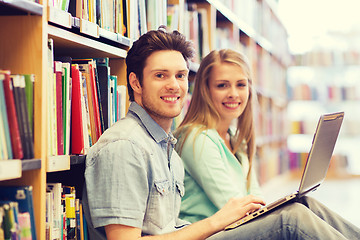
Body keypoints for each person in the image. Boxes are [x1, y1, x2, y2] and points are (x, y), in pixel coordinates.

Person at [174, 48, 360, 239]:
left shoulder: (235, 138)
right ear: (205, 90)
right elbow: (233, 207)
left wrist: (276, 207)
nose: (233, 93)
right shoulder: (196, 138)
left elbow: (255, 198)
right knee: (292, 218)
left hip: (233, 228)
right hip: (210, 234)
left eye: (241, 85)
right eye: (222, 85)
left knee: (305, 203)